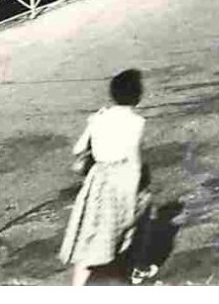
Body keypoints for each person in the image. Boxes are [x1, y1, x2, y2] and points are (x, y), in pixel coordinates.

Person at [62, 69, 153, 286]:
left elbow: (78, 149)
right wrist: (135, 194)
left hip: (97, 180)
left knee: (90, 234)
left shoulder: (98, 117)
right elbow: (134, 162)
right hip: (122, 179)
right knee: (130, 227)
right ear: (137, 95)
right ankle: (133, 270)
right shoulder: (136, 122)